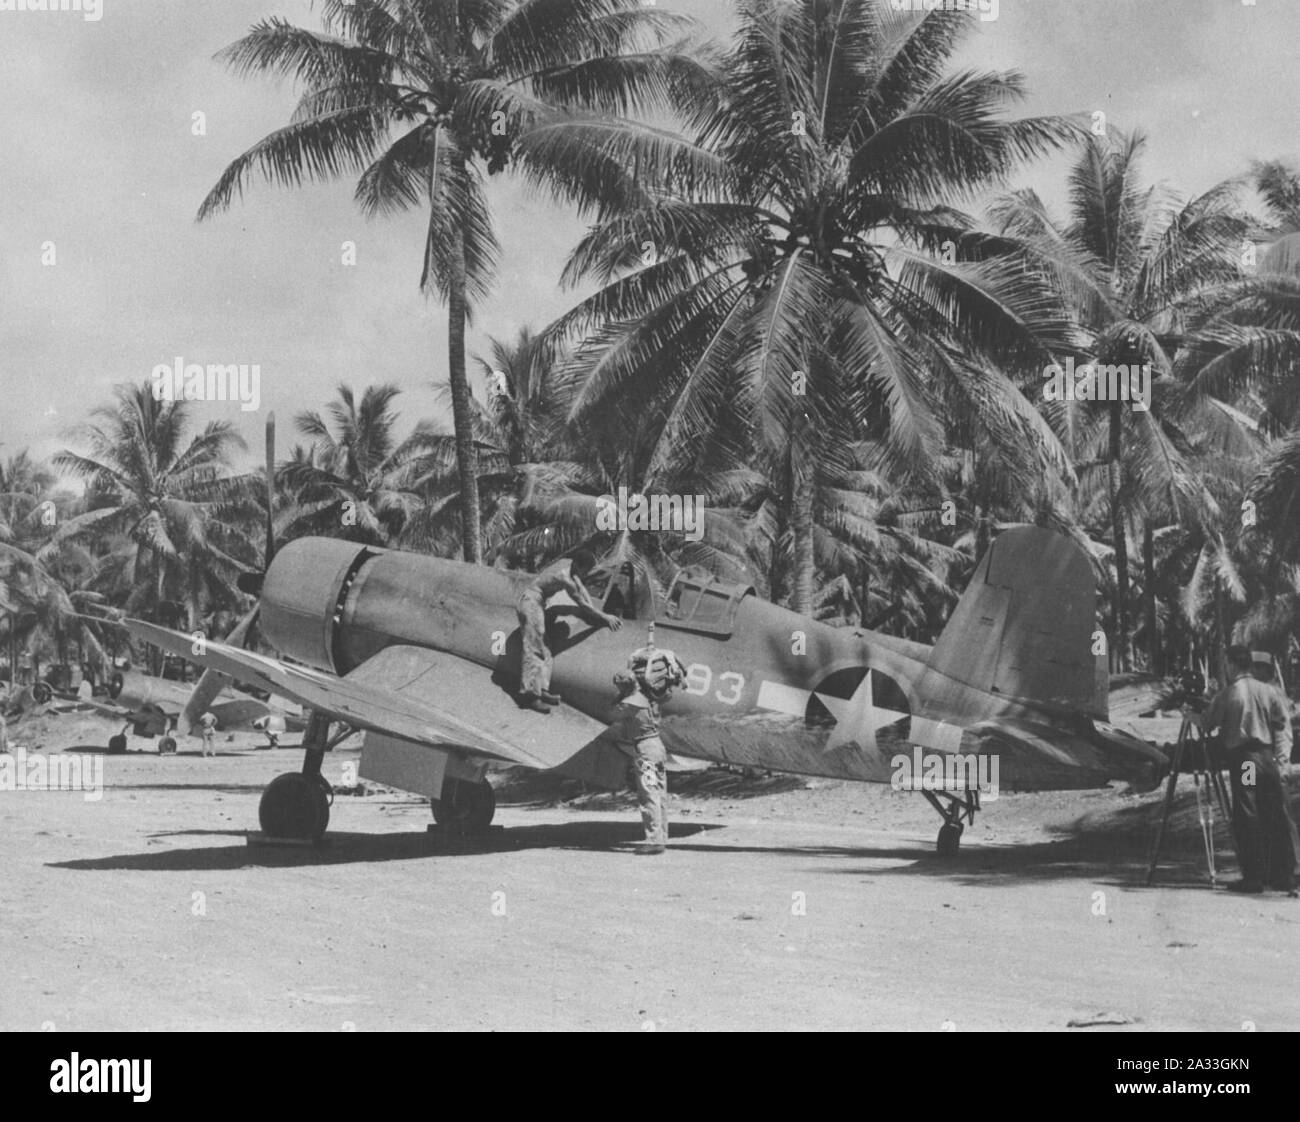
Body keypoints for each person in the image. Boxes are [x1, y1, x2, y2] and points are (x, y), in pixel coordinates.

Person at [1198, 645, 1298, 895]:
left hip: (1246, 761)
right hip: (1267, 758)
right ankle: (1283, 875)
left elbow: (1208, 722)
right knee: (1274, 812)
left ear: (1232, 664)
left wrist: (1193, 716)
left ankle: (1253, 877)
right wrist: (1282, 760)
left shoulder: (1230, 694)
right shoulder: (1270, 691)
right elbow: (1282, 727)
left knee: (1247, 812)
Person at [516, 550, 621, 713]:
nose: (586, 573)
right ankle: (529, 696)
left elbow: (581, 588)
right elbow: (581, 603)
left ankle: (543, 689)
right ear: (578, 565)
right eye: (585, 569)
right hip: (531, 603)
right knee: (534, 649)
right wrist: (604, 617)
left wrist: (595, 610)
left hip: (537, 603)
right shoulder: (563, 577)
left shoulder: (570, 568)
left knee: (546, 650)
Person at [611, 640, 686, 855]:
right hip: (657, 747)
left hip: (645, 751)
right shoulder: (648, 698)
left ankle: (653, 840)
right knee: (659, 793)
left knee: (648, 794)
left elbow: (612, 713)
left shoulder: (631, 702)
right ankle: (661, 836)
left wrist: (619, 695)